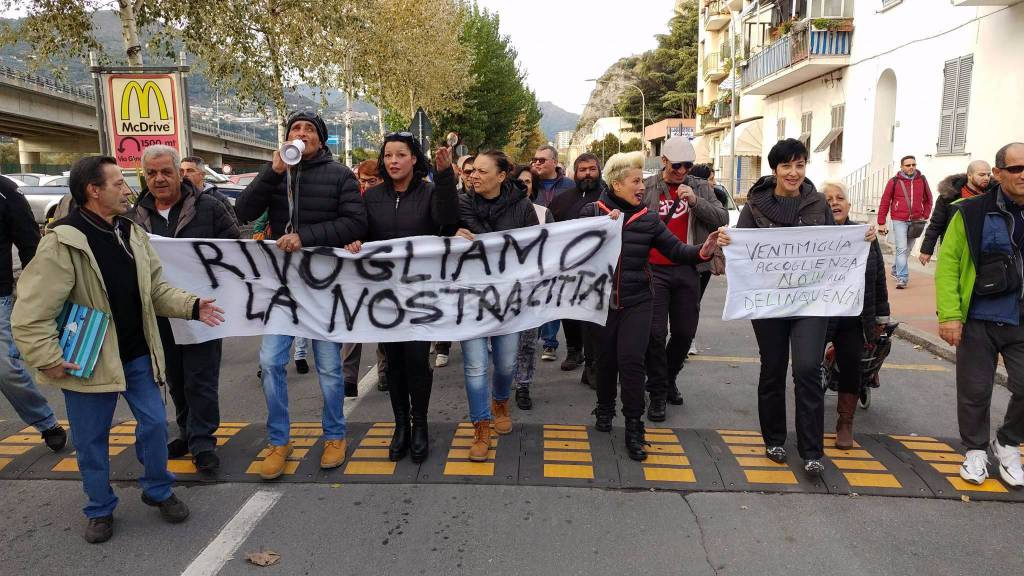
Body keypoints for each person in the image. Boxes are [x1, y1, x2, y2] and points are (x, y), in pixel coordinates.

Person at [12, 155, 225, 543]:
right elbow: (30, 313)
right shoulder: (63, 242)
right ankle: (99, 508)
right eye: (117, 183)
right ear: (94, 191)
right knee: (92, 442)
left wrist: (191, 305)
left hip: (138, 354)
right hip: (87, 360)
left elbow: (154, 289)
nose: (128, 189)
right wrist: (49, 358)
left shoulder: (131, 232)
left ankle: (157, 489)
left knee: (156, 425)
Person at [717, 139, 875, 477]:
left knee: (806, 368)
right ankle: (774, 439)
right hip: (770, 302)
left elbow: (835, 245)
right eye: (787, 166)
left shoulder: (817, 202)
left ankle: (812, 450)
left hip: (810, 302)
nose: (794, 172)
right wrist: (728, 241)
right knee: (772, 368)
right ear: (774, 169)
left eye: (800, 165)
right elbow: (743, 250)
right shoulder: (754, 206)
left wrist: (862, 237)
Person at [235, 110, 367, 480]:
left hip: (323, 285)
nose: (302, 133)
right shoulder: (277, 173)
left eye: (310, 129)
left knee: (328, 367)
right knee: (272, 362)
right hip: (283, 286)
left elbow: (356, 223)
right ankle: (279, 440)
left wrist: (306, 237)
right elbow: (243, 211)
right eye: (296, 128)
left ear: (321, 140)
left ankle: (335, 435)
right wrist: (272, 172)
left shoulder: (339, 175)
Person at [581, 151, 719, 461]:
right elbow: (567, 251)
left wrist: (704, 250)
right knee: (606, 361)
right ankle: (604, 407)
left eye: (643, 180)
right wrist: (600, 229)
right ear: (616, 184)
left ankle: (634, 427)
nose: (642, 186)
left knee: (631, 362)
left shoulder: (649, 219)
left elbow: (677, 250)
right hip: (600, 304)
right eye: (634, 180)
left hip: (638, 301)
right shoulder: (591, 212)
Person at [344, 132, 459, 463]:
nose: (393, 161)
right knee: (393, 364)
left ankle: (419, 424)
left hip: (420, 294)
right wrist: (354, 241)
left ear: (413, 159)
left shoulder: (430, 192)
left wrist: (446, 175)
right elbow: (361, 232)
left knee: (416, 362)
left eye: (400, 155)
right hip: (384, 297)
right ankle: (401, 427)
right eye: (388, 155)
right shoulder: (372, 197)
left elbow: (448, 222)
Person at [128, 145, 239, 473]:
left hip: (203, 310)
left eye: (165, 172)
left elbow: (233, 251)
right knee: (174, 376)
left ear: (179, 173)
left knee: (200, 378)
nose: (159, 179)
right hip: (160, 312)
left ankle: (204, 441)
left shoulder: (209, 208)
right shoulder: (135, 215)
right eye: (151, 173)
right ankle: (186, 430)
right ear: (144, 177)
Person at [935, 142, 1024, 488]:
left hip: (1020, 318)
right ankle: (974, 450)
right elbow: (950, 264)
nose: (1022, 175)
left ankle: (1007, 442)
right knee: (974, 390)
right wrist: (950, 315)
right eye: (1015, 169)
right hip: (978, 318)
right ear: (999, 174)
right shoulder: (969, 212)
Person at [454, 150, 539, 460]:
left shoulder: (523, 207)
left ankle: (501, 401)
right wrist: (450, 235)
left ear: (502, 176)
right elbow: (440, 235)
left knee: (505, 364)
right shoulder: (461, 202)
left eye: (482, 171)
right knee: (475, 367)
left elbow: (534, 250)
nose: (473, 175)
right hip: (471, 297)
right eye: (472, 170)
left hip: (508, 299)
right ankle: (481, 425)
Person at [642, 138, 728, 421]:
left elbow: (721, 216)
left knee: (684, 333)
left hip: (690, 266)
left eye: (687, 166)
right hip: (653, 268)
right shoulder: (648, 186)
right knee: (654, 333)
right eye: (676, 165)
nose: (682, 171)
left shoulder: (700, 186)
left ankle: (668, 377)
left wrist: (695, 200)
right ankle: (657, 393)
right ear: (663, 160)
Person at [821, 180, 890, 449]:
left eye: (839, 198)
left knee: (852, 364)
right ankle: (810, 419)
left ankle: (845, 422)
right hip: (819, 314)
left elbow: (878, 278)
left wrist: (881, 317)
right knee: (808, 367)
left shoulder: (865, 235)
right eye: (828, 199)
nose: (835, 202)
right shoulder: (812, 234)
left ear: (848, 204)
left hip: (853, 314)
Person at [0, 175, 66, 451]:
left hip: (0, 294)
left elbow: (29, 242)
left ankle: (45, 421)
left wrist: (34, 292)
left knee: (4, 367)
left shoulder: (5, 191)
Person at [545, 153, 607, 376]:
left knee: (594, 316)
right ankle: (574, 350)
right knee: (568, 311)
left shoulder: (610, 197)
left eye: (592, 168)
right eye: (583, 169)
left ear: (599, 171)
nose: (588, 173)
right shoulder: (561, 200)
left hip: (600, 268)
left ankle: (594, 363)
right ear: (575, 172)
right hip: (568, 268)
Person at [342, 159, 389, 394]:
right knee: (353, 322)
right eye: (364, 181)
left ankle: (384, 372)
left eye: (373, 180)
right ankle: (348, 379)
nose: (368, 185)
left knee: (384, 321)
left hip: (383, 272)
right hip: (357, 272)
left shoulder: (388, 203)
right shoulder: (354, 203)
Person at [511, 165, 553, 410]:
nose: (523, 185)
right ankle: (504, 381)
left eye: (528, 181)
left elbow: (553, 248)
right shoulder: (499, 212)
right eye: (519, 181)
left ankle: (523, 385)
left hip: (532, 288)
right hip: (504, 290)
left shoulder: (543, 213)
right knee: (504, 343)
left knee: (528, 341)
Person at [919, 160, 995, 266]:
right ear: (969, 175)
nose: (986, 178)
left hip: (984, 249)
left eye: (988, 174)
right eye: (981, 174)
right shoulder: (949, 196)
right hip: (955, 247)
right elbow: (936, 223)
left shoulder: (994, 195)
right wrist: (926, 249)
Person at [877, 155, 933, 289]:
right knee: (901, 249)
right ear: (902, 167)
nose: (911, 167)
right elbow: (885, 202)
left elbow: (928, 199)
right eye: (908, 165)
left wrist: (924, 214)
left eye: (913, 164)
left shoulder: (922, 180)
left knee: (907, 250)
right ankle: (903, 278)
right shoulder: (894, 181)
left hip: (916, 221)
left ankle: (896, 270)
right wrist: (881, 222)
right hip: (899, 220)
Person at [180, 155, 237, 222]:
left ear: (202, 174)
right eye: (182, 171)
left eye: (190, 170)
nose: (184, 174)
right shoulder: (176, 198)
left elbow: (231, 228)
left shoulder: (219, 199)